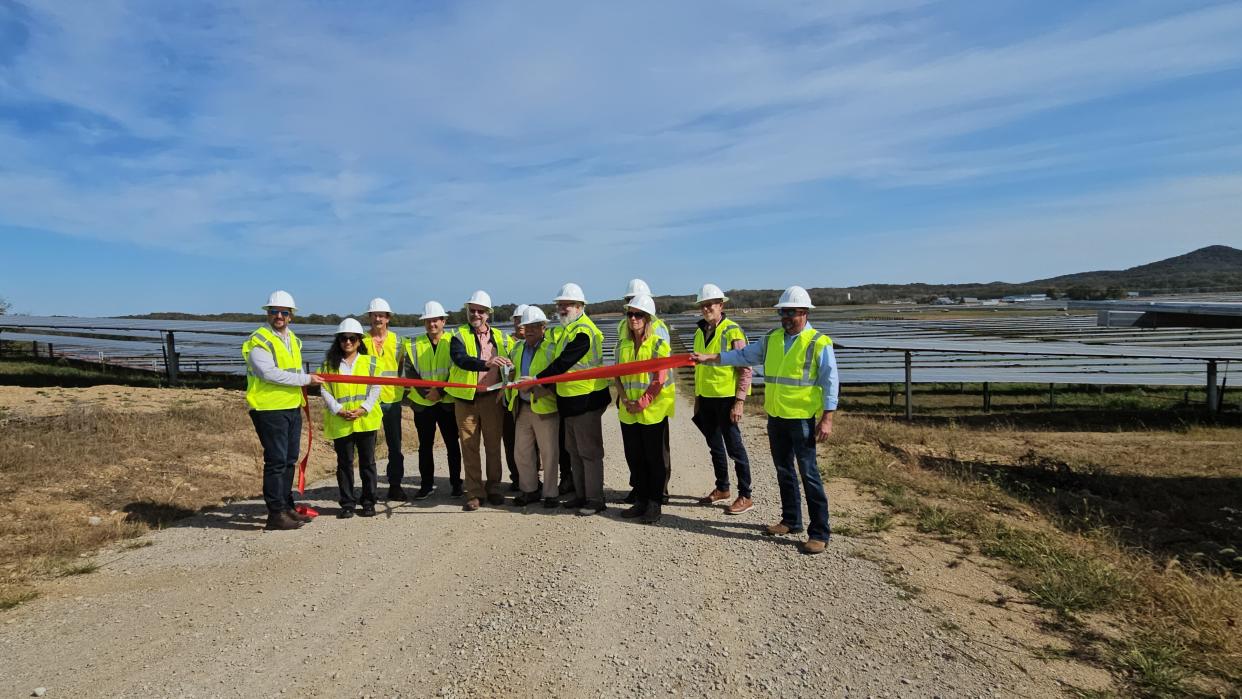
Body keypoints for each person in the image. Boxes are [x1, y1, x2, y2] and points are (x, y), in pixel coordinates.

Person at [691, 285, 838, 555]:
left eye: (790, 312)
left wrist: (827, 418)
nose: (785, 317)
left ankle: (819, 532)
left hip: (802, 418)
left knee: (809, 475)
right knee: (784, 471)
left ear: (804, 313)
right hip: (776, 416)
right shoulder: (772, 339)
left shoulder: (819, 343)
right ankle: (791, 520)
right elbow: (743, 356)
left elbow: (830, 383)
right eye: (782, 312)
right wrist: (711, 357)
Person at [241, 290, 324, 531]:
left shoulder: (293, 340)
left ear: (291, 316)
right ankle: (275, 513)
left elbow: (292, 371)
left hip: (291, 406)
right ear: (268, 313)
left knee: (289, 460)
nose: (279, 316)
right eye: (274, 311)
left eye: (283, 312)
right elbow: (268, 373)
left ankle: (286, 505)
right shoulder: (260, 340)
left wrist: (304, 381)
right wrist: (306, 379)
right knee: (276, 461)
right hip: (269, 408)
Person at [536, 282, 610, 516]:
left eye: (567, 305)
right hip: (569, 400)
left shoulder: (584, 331)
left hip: (586, 400)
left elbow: (563, 363)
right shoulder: (566, 330)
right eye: (560, 305)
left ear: (580, 306)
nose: (562, 309)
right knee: (574, 451)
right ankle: (581, 495)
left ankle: (595, 499)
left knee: (589, 452)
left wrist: (538, 381)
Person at [447, 290, 514, 511]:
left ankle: (494, 488)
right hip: (466, 399)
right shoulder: (457, 336)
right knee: (469, 447)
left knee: (493, 445)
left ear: (488, 314)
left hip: (492, 398)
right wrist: (487, 363)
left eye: (480, 311)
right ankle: (474, 493)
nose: (476, 314)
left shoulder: (503, 338)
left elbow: (514, 362)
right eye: (472, 310)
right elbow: (460, 359)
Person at [690, 283, 754, 515]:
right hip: (706, 398)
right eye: (703, 305)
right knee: (714, 446)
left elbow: (745, 367)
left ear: (721, 305)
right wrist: (697, 397)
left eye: (710, 304)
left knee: (735, 448)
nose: (707, 308)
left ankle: (745, 495)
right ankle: (722, 488)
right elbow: (699, 368)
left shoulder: (732, 331)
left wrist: (739, 400)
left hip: (727, 398)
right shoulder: (699, 331)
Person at [614, 295, 675, 524]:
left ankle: (654, 503)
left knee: (654, 459)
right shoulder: (622, 344)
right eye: (630, 314)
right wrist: (623, 399)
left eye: (638, 314)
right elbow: (616, 376)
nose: (633, 318)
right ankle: (640, 500)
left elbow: (660, 379)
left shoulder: (659, 344)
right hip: (628, 412)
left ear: (648, 318)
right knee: (635, 457)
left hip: (652, 411)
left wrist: (643, 402)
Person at [320, 318, 383, 518]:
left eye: (352, 338)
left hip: (365, 420)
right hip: (341, 420)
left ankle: (369, 502)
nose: (347, 342)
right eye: (343, 338)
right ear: (338, 341)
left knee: (367, 463)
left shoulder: (371, 362)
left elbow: (376, 387)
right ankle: (347, 503)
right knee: (344, 463)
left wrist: (364, 408)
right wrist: (337, 409)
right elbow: (325, 389)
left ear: (359, 340)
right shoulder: (329, 365)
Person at [403, 301, 463, 499]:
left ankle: (456, 484)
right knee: (425, 447)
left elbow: (457, 369)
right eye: (428, 321)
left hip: (447, 403)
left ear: (443, 321)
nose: (432, 324)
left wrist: (441, 391)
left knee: (452, 445)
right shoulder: (413, 344)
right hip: (423, 404)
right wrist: (428, 392)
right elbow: (410, 372)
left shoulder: (454, 341)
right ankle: (426, 485)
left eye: (435, 320)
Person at [507, 306, 560, 508]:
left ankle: (551, 493)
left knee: (549, 453)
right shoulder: (517, 347)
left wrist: (539, 388)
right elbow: (512, 372)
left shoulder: (552, 348)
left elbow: (558, 378)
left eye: (533, 326)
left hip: (545, 407)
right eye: (525, 326)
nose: (528, 330)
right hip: (522, 407)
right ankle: (529, 490)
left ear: (543, 327)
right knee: (521, 451)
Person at [361, 298, 408, 501]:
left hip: (391, 399)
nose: (378, 318)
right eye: (374, 315)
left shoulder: (400, 342)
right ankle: (368, 490)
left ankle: (395, 485)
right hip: (367, 401)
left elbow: (402, 369)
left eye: (381, 315)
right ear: (369, 317)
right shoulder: (360, 341)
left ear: (388, 318)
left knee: (395, 446)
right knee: (367, 447)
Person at [502, 304, 529, 492]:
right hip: (509, 401)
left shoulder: (539, 343)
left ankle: (532, 478)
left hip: (530, 401)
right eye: (517, 319)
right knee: (511, 442)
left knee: (532, 444)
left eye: (523, 319)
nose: (520, 323)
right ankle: (516, 477)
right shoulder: (505, 343)